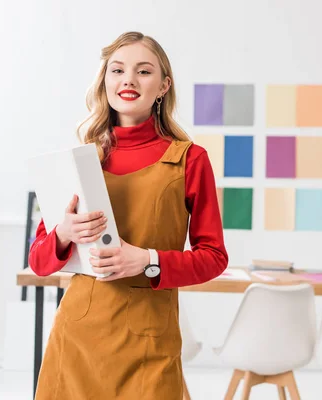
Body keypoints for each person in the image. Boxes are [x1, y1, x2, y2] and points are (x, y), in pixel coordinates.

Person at [28, 31, 228, 399]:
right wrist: (62, 234)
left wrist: (148, 260)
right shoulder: (81, 160)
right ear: (105, 82)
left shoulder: (188, 160)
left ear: (164, 85)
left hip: (148, 344)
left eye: (144, 71)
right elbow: (39, 262)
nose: (129, 80)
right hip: (77, 339)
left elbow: (214, 258)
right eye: (117, 70)